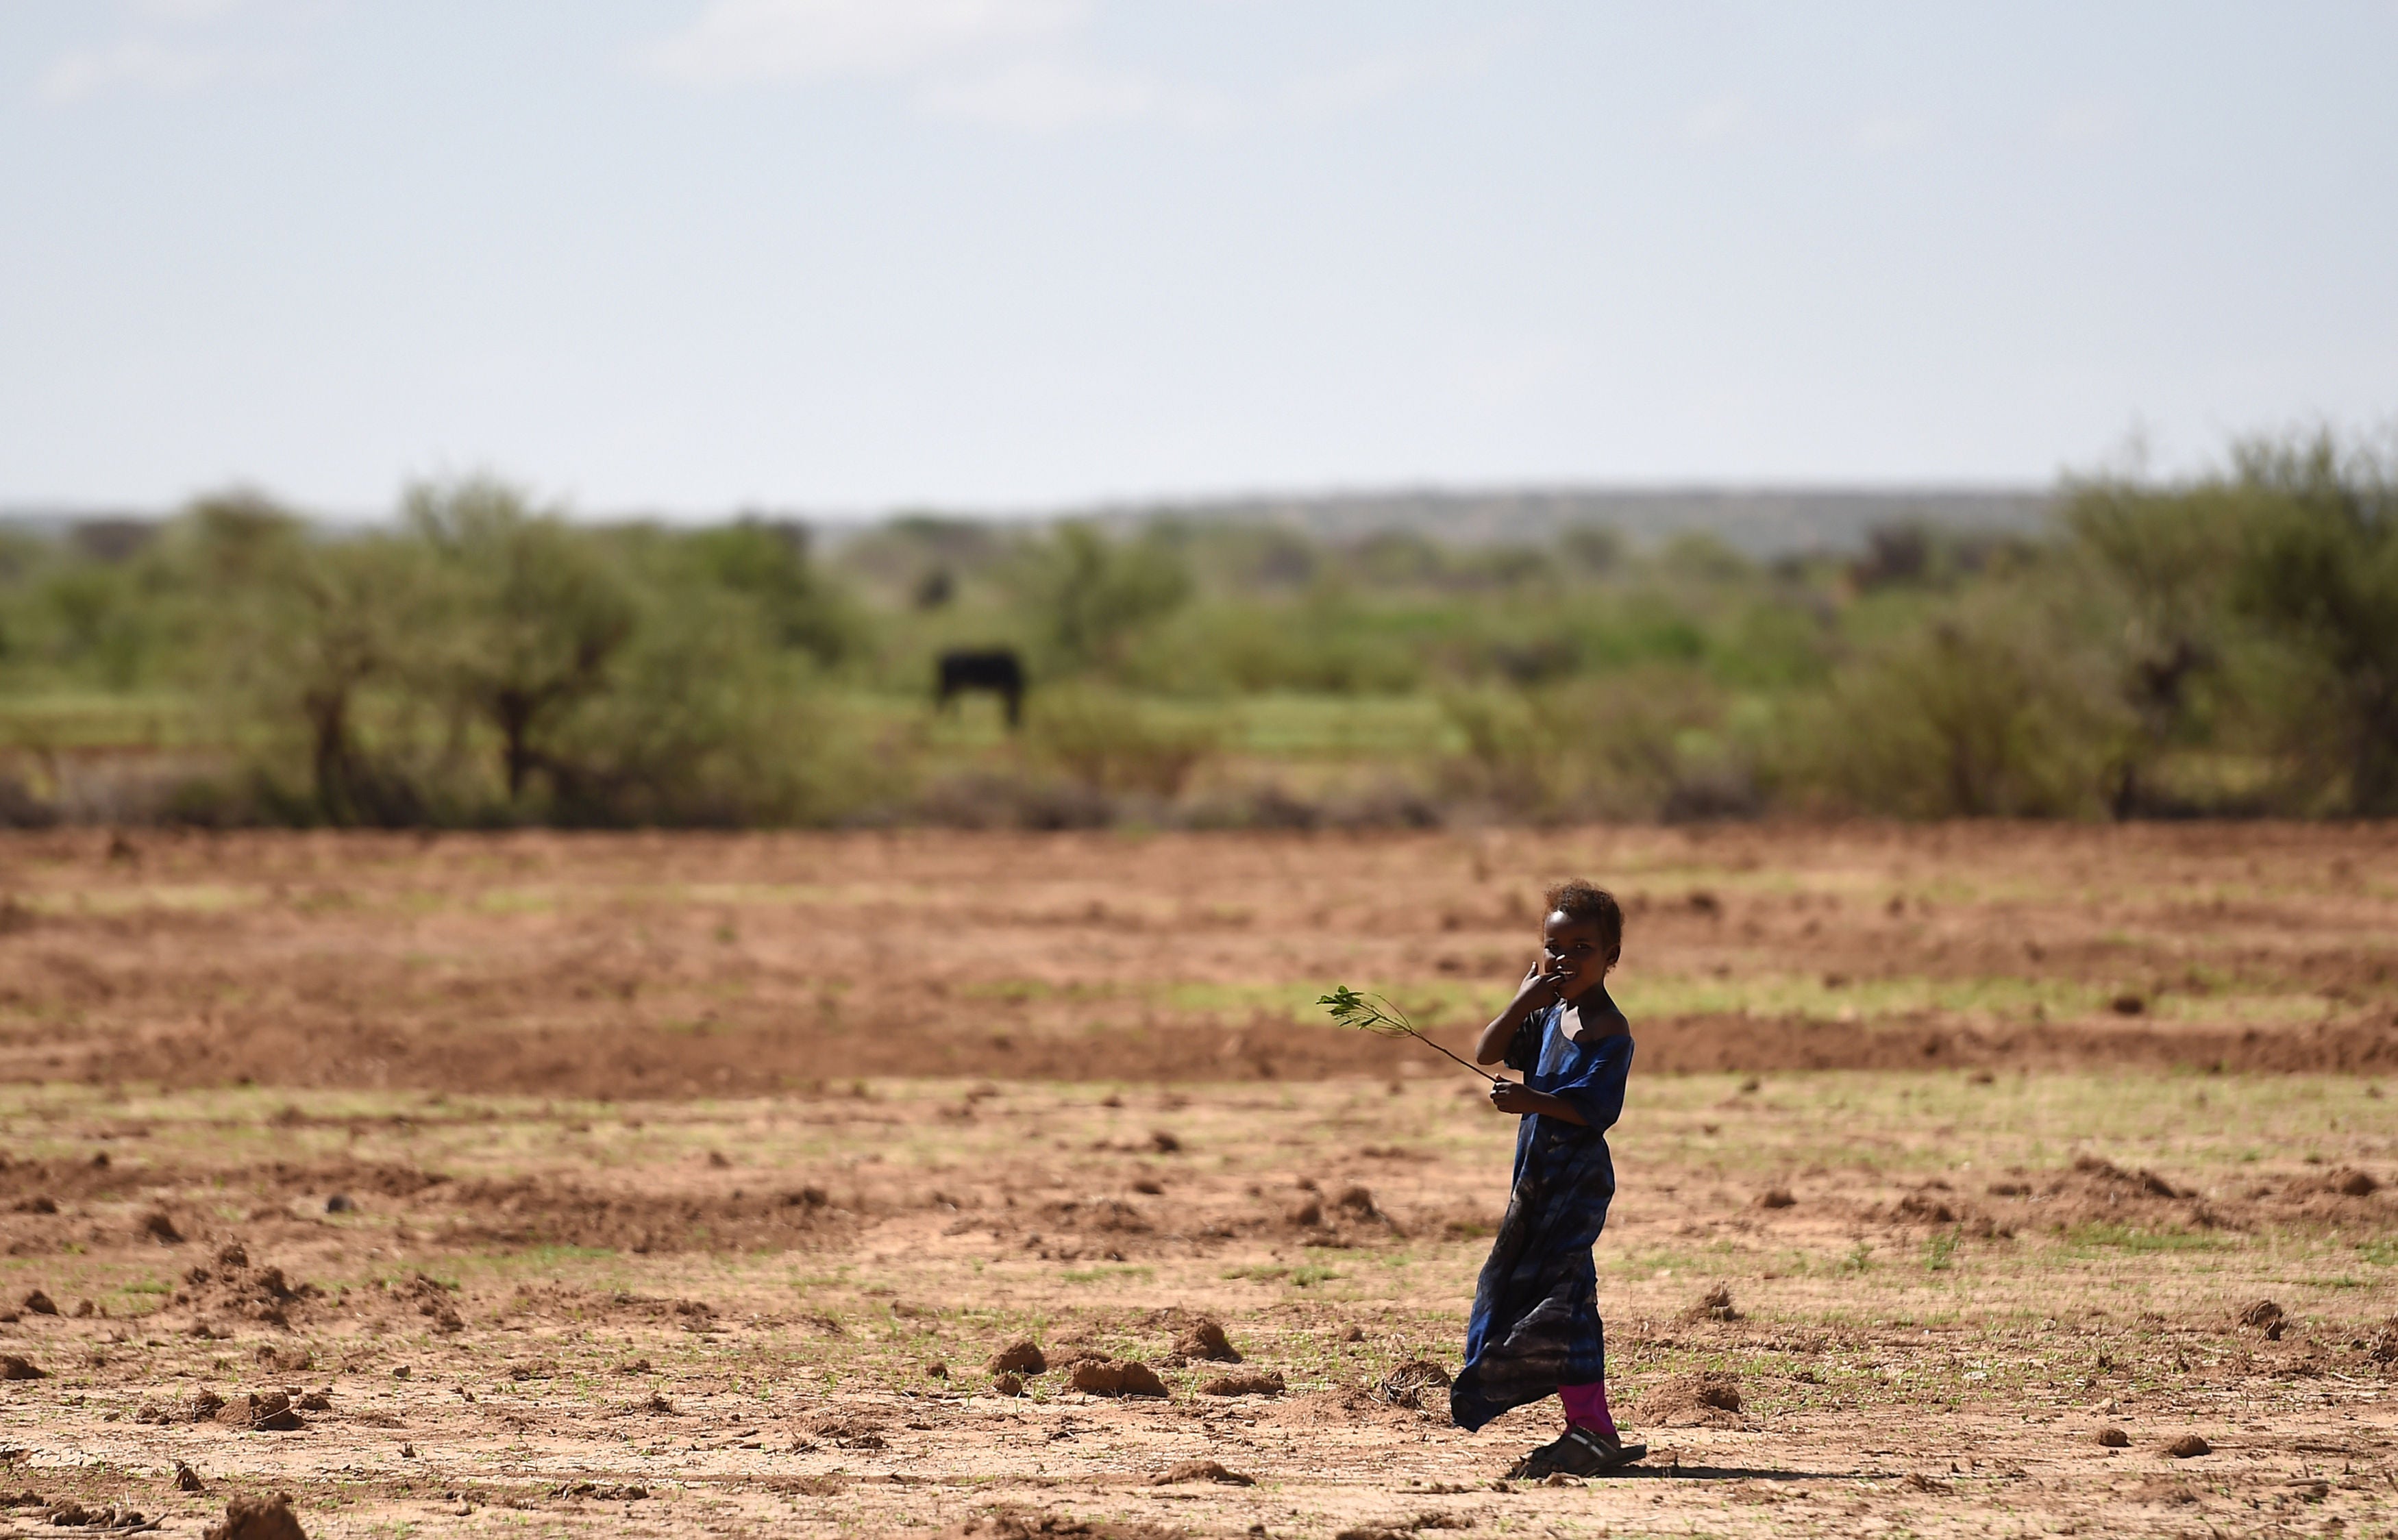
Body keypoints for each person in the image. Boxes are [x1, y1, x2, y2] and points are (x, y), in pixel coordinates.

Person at [1449, 878, 1644, 1478]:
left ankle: (1590, 1430)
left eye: (1584, 947)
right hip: (1536, 1181)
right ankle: (1590, 1430)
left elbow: (1595, 1110)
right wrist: (1521, 1004)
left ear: (1611, 956)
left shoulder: (1610, 1032)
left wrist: (1535, 1098)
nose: (1568, 959)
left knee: (1562, 1300)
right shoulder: (1550, 1017)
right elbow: (1487, 1050)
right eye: (1556, 947)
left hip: (1575, 1183)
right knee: (1562, 1300)